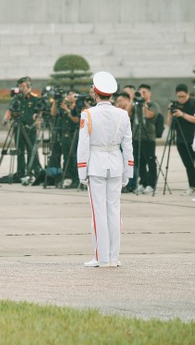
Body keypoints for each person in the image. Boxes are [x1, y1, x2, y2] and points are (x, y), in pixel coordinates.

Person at [78, 72, 133, 268]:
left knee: (98, 212)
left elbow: (83, 145)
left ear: (95, 93)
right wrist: (129, 171)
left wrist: (81, 171)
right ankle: (113, 257)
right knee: (114, 211)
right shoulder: (122, 114)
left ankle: (101, 258)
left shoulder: (88, 114)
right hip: (116, 164)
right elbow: (128, 146)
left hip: (96, 164)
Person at [3, 77, 42, 183]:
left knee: (31, 150)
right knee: (20, 151)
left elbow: (39, 112)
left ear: (29, 86)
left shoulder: (35, 98)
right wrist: (6, 119)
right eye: (19, 86)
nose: (21, 88)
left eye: (23, 86)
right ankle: (21, 172)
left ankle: (32, 172)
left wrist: (38, 120)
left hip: (30, 128)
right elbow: (10, 109)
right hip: (18, 128)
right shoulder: (16, 98)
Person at [166, 84, 195, 196]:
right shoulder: (175, 105)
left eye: (183, 96)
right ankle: (192, 186)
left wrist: (182, 114)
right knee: (188, 164)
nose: (181, 99)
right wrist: (170, 112)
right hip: (180, 139)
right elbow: (169, 125)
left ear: (188, 93)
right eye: (179, 97)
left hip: (194, 138)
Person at [130, 84, 160, 195]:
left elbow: (149, 115)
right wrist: (132, 100)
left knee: (150, 161)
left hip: (148, 137)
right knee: (140, 162)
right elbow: (127, 113)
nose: (142, 95)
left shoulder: (153, 105)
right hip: (137, 137)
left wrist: (143, 104)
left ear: (149, 93)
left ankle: (151, 184)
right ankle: (142, 182)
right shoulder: (135, 105)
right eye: (140, 92)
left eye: (144, 92)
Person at [50, 91, 80, 188]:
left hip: (74, 135)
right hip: (64, 135)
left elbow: (76, 120)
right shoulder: (63, 106)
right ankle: (67, 176)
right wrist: (55, 102)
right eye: (68, 94)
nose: (69, 96)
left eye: (72, 94)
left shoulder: (78, 107)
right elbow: (53, 114)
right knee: (66, 157)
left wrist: (67, 109)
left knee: (74, 157)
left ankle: (75, 178)